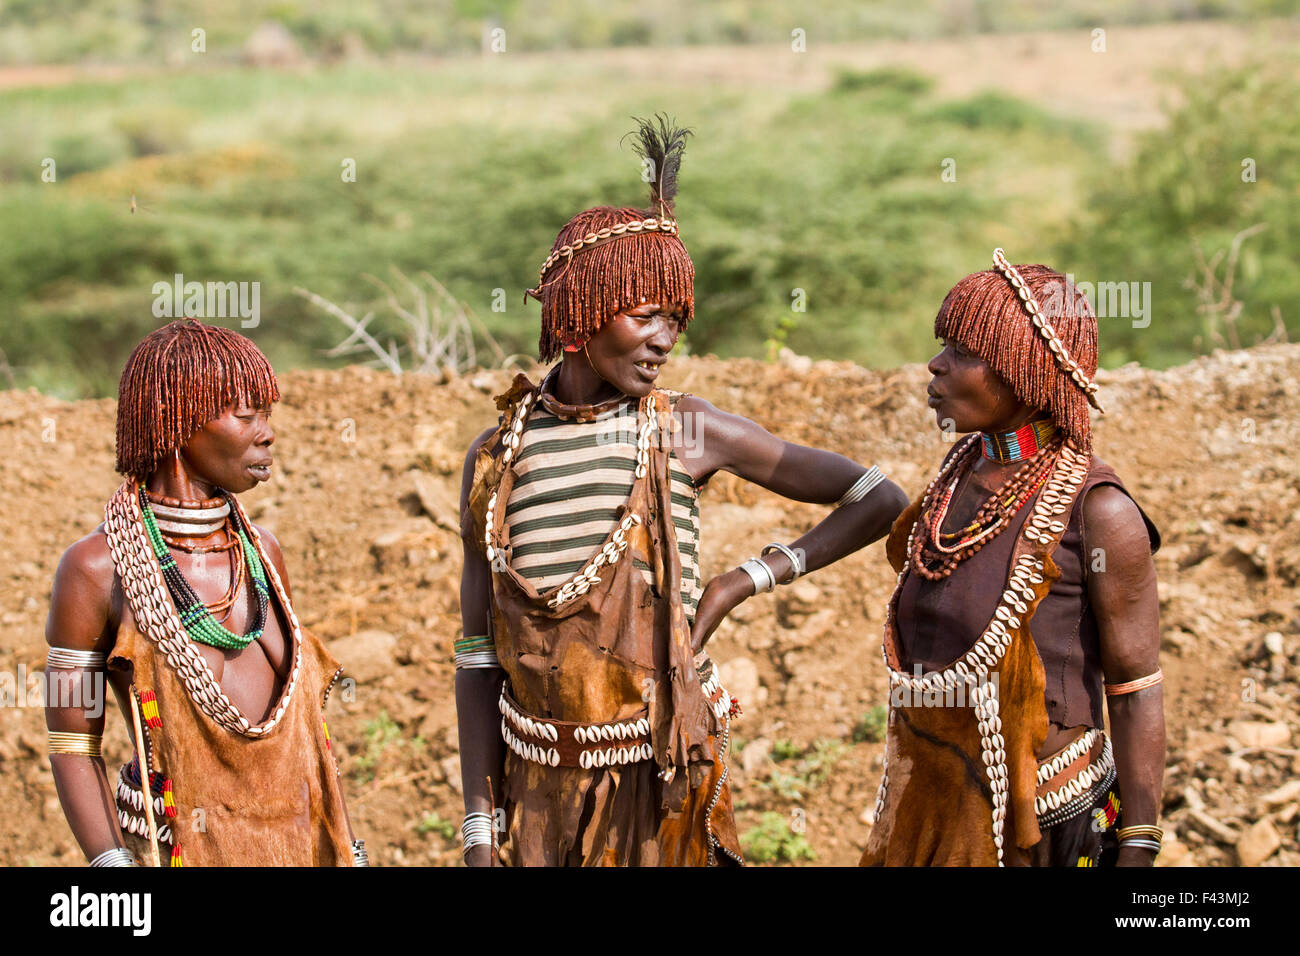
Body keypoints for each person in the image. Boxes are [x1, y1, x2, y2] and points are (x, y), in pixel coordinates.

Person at [455, 115, 909, 866]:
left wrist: (743, 580)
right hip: (538, 792)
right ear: (578, 321)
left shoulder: (684, 432)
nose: (665, 338)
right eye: (644, 316)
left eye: (676, 318)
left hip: (664, 784)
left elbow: (878, 498)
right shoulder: (498, 456)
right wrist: (478, 830)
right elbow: (477, 654)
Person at [862, 249, 1165, 867]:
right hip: (935, 805)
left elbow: (1135, 689)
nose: (936, 364)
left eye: (963, 353)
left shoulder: (1099, 512)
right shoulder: (960, 473)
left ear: (1025, 370)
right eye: (942, 345)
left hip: (1048, 827)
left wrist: (1138, 844)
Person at [44, 319, 366, 867]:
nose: (266, 433)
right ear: (178, 424)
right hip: (175, 850)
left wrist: (350, 850)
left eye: (267, 414)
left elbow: (307, 732)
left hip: (298, 846)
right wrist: (113, 871)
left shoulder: (262, 553)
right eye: (245, 415)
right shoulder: (97, 568)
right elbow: (72, 744)